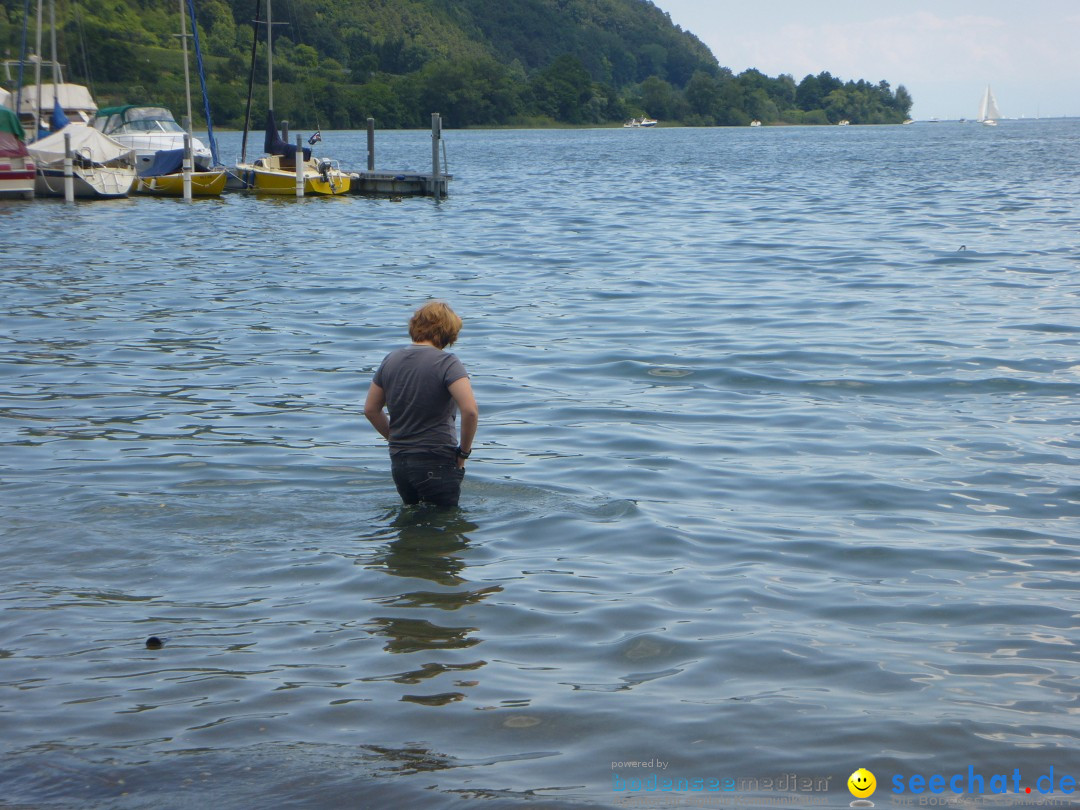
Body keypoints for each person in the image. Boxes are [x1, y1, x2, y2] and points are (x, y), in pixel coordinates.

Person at [364, 301, 478, 508]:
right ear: (447, 332)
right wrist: (463, 453)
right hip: (436, 458)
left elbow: (371, 409)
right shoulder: (448, 363)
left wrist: (395, 438)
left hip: (400, 462)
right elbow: (470, 411)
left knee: (412, 523)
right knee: (445, 529)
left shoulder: (390, 360)